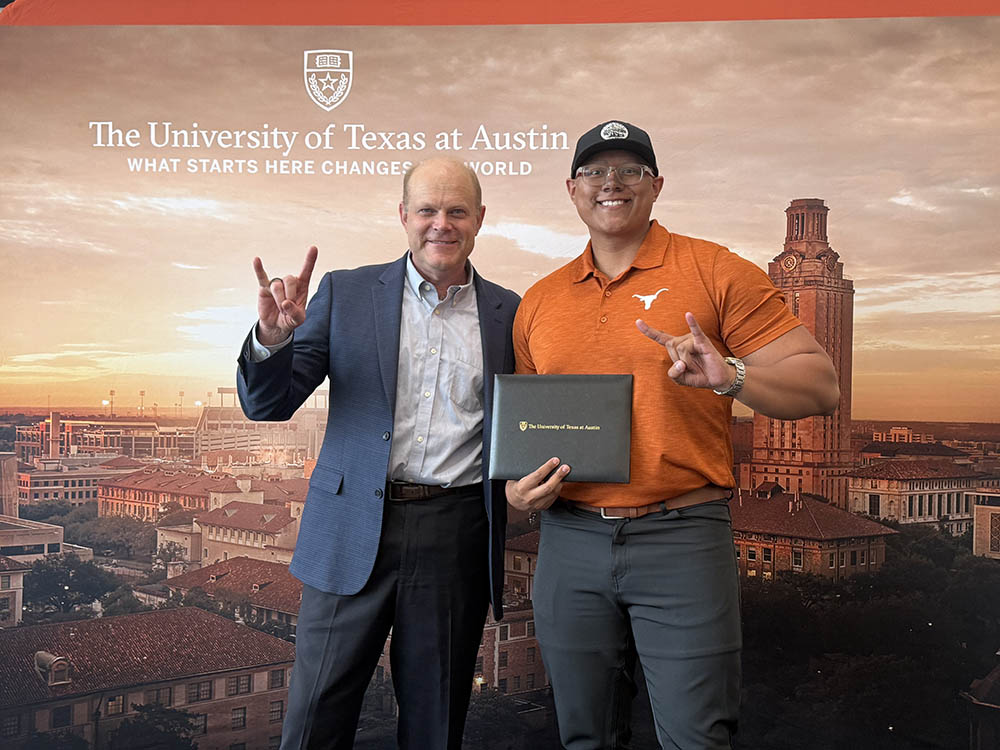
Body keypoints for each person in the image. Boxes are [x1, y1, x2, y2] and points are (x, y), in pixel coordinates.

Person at [507, 120, 840, 749]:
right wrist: (516, 494)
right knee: (584, 737)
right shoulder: (540, 301)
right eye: (595, 171)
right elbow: (528, 434)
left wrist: (731, 376)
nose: (611, 183)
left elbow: (820, 386)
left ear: (656, 185)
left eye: (630, 170)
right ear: (573, 189)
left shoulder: (717, 270)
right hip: (570, 542)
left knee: (697, 739)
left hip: (681, 538)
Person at [237, 157, 520, 750]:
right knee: (314, 721)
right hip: (350, 525)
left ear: (479, 219)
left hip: (456, 534)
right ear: (403, 215)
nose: (441, 223)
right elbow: (270, 405)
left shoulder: (509, 312)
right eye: (427, 209)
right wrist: (273, 340)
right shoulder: (346, 292)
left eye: (457, 210)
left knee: (435, 724)